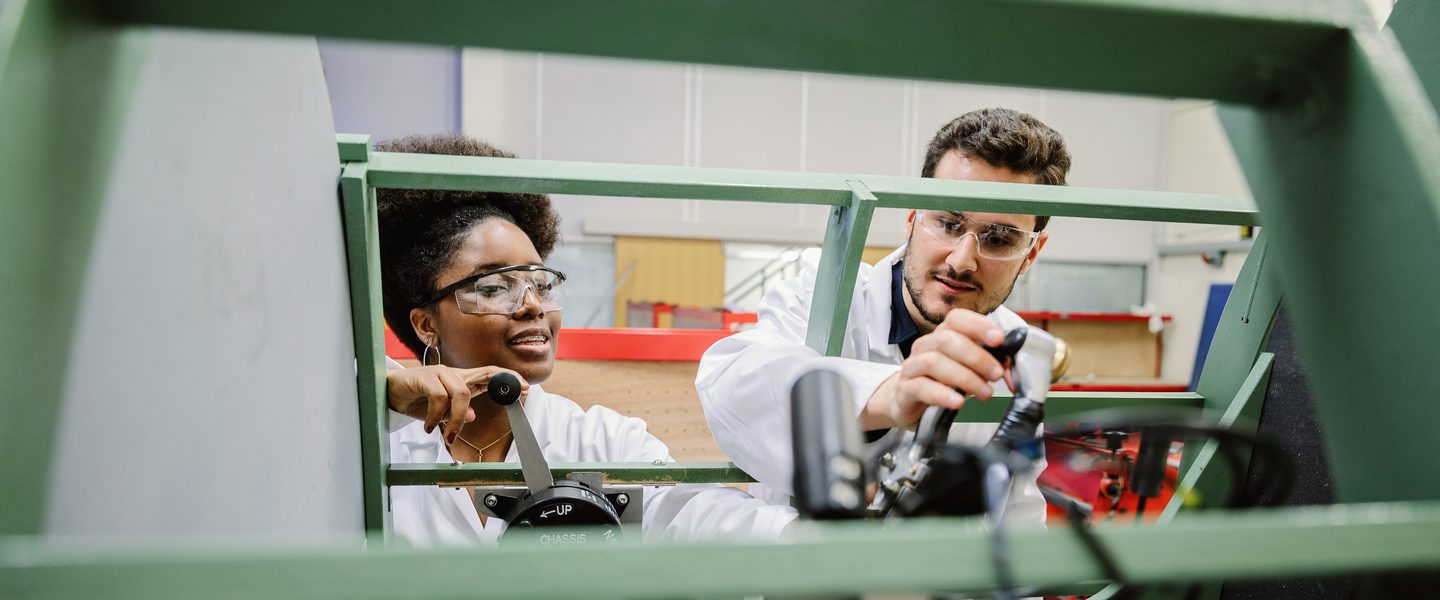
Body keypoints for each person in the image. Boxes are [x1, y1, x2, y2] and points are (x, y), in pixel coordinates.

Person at [377, 133, 796, 546]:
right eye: (493, 288)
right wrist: (380, 396)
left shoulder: (602, 439)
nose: (532, 305)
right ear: (425, 324)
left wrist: (802, 539)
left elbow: (687, 511)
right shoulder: (378, 443)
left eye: (541, 283)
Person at [697, 108, 1071, 523]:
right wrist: (887, 395)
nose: (963, 260)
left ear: (1031, 253)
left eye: (999, 239)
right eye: (948, 223)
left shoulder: (1015, 349)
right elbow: (731, 385)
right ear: (912, 217)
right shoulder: (822, 296)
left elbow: (1016, 513)